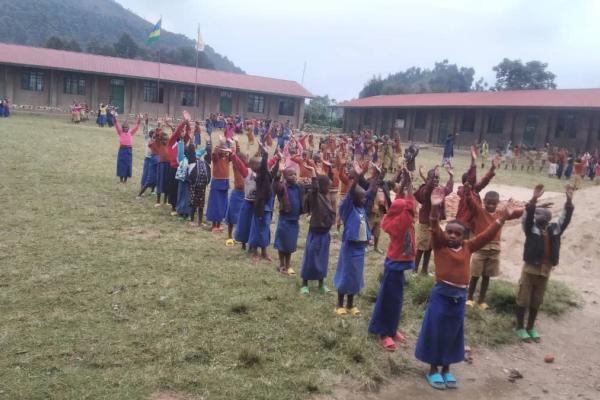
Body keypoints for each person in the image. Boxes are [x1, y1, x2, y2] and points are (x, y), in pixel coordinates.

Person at [415, 186, 519, 390]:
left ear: (464, 236)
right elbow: (435, 228)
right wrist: (435, 209)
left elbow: (487, 235)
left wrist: (502, 218)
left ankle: (446, 369)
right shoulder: (440, 245)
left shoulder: (469, 247)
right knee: (437, 331)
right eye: (450, 232)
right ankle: (433, 369)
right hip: (441, 296)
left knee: (453, 333)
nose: (452, 236)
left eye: (457, 233)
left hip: (459, 298)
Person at [515, 184, 574, 343]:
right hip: (530, 270)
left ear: (549, 217)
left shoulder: (555, 229)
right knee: (523, 298)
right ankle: (520, 327)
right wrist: (534, 200)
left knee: (537, 300)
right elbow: (527, 216)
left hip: (545, 271)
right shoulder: (530, 228)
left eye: (545, 213)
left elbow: (565, 219)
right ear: (535, 216)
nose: (542, 215)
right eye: (538, 213)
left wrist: (568, 201)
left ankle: (530, 327)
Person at [368, 168, 415, 351]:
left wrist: (404, 184)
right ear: (403, 213)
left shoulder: (394, 216)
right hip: (394, 266)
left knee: (396, 299)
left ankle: (392, 329)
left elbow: (399, 202)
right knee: (388, 300)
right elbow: (410, 205)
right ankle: (383, 332)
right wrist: (410, 186)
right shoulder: (400, 223)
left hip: (398, 266)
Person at [466, 189, 523, 309]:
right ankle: (470, 298)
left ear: (498, 203)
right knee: (475, 275)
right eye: (488, 203)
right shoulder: (479, 212)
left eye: (494, 203)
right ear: (484, 201)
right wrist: (467, 192)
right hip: (480, 249)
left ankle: (481, 300)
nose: (491, 205)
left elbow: (517, 213)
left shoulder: (501, 214)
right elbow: (470, 203)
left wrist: (532, 205)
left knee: (487, 276)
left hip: (494, 250)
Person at [333, 163, 375, 316]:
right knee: (346, 274)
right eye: (361, 197)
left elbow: (370, 192)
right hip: (349, 248)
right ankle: (339, 304)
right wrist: (356, 177)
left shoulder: (361, 209)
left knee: (355, 277)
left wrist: (378, 176)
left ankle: (350, 305)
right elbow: (351, 192)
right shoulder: (348, 208)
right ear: (354, 198)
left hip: (360, 249)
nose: (364, 200)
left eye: (364, 198)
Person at [300, 165, 335, 294]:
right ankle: (305, 283)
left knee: (322, 258)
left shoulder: (326, 197)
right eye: (327, 187)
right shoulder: (315, 197)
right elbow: (315, 188)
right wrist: (314, 174)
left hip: (325, 233)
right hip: (315, 232)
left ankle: (321, 283)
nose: (329, 189)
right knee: (310, 257)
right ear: (320, 187)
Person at [413, 166, 454, 274]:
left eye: (437, 178)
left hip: (435, 224)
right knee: (421, 248)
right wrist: (430, 179)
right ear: (428, 179)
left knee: (430, 247)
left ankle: (424, 270)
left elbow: (449, 189)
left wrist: (451, 176)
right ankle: (414, 269)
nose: (436, 180)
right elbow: (427, 190)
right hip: (425, 223)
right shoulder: (425, 189)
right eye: (434, 178)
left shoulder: (440, 189)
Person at [273, 166, 306, 275]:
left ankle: (288, 264)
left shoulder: (298, 187)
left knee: (290, 244)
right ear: (285, 177)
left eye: (295, 174)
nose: (294, 176)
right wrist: (279, 173)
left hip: (294, 221)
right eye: (290, 174)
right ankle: (282, 264)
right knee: (282, 243)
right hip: (285, 220)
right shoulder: (282, 187)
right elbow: (276, 185)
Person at [206, 139, 232, 232]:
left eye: (225, 150)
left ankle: (219, 224)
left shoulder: (227, 158)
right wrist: (219, 143)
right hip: (216, 183)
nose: (224, 152)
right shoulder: (216, 158)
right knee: (214, 204)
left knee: (222, 204)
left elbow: (234, 154)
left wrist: (234, 144)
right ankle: (214, 225)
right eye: (223, 150)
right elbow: (214, 153)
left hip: (224, 183)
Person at [225, 139, 246, 246]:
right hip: (236, 194)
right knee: (232, 217)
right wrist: (236, 144)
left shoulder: (247, 169)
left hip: (245, 196)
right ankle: (229, 236)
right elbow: (236, 156)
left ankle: (242, 240)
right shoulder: (236, 167)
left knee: (243, 218)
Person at [188, 144, 211, 227]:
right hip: (196, 186)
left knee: (200, 204)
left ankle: (199, 222)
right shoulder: (192, 161)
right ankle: (192, 220)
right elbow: (191, 151)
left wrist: (208, 145)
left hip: (201, 187)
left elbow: (208, 153)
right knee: (194, 203)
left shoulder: (205, 162)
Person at [114, 113, 141, 184]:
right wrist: (114, 117)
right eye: (124, 127)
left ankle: (125, 180)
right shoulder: (120, 132)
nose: (125, 128)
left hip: (129, 151)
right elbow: (116, 124)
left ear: (128, 128)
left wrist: (139, 119)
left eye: (127, 127)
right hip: (122, 150)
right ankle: (121, 179)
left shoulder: (131, 133)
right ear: (122, 128)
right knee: (121, 164)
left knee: (127, 164)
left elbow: (137, 126)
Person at [138, 115, 159, 198]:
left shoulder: (156, 140)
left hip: (155, 159)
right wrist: (146, 122)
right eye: (152, 133)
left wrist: (159, 124)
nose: (154, 135)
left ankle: (153, 190)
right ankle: (142, 190)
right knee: (146, 174)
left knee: (155, 175)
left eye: (154, 134)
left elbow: (159, 132)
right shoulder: (147, 139)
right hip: (148, 159)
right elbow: (146, 130)